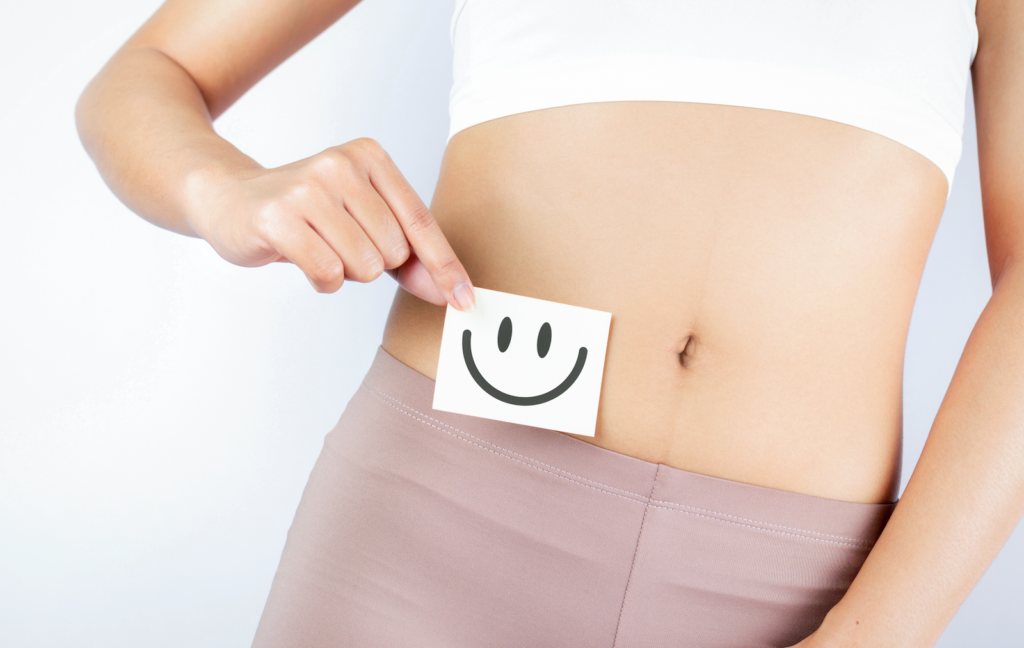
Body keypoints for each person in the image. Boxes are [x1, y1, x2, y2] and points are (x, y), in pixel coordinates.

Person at [75, 0, 1024, 646]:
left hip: (801, 591)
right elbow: (147, 72)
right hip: (431, 531)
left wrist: (879, 638)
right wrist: (224, 188)